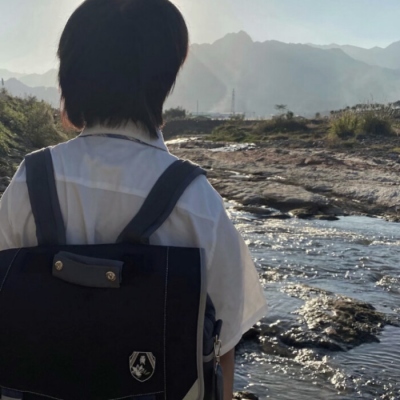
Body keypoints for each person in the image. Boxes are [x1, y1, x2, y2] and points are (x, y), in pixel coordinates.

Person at [0, 0, 267, 398]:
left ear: (70, 78)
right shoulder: (196, 201)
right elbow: (223, 346)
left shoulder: (31, 179)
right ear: (165, 78)